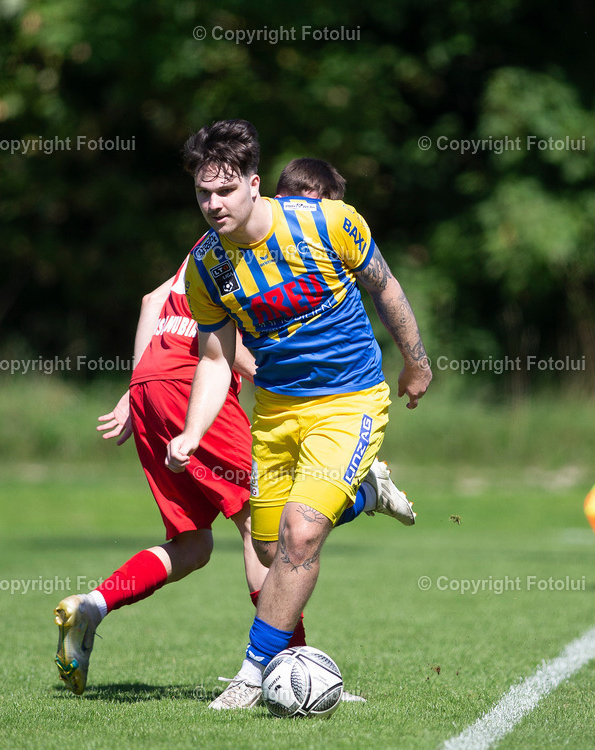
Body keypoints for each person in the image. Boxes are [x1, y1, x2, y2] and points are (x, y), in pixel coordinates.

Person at [53, 160, 414, 697]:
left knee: (194, 543)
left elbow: (155, 301)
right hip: (191, 387)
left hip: (152, 384)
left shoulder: (211, 249)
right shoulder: (226, 252)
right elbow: (225, 352)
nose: (216, 201)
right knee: (260, 533)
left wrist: (136, 386)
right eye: (208, 192)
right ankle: (286, 668)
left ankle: (95, 604)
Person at [165, 120, 431, 710]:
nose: (213, 204)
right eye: (203, 193)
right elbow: (214, 358)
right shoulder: (207, 267)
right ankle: (364, 493)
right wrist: (191, 429)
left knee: (301, 533)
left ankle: (251, 673)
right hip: (277, 412)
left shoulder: (326, 221)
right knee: (266, 550)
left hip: (350, 400)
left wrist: (416, 361)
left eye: (225, 191)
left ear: (255, 184)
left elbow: (385, 288)